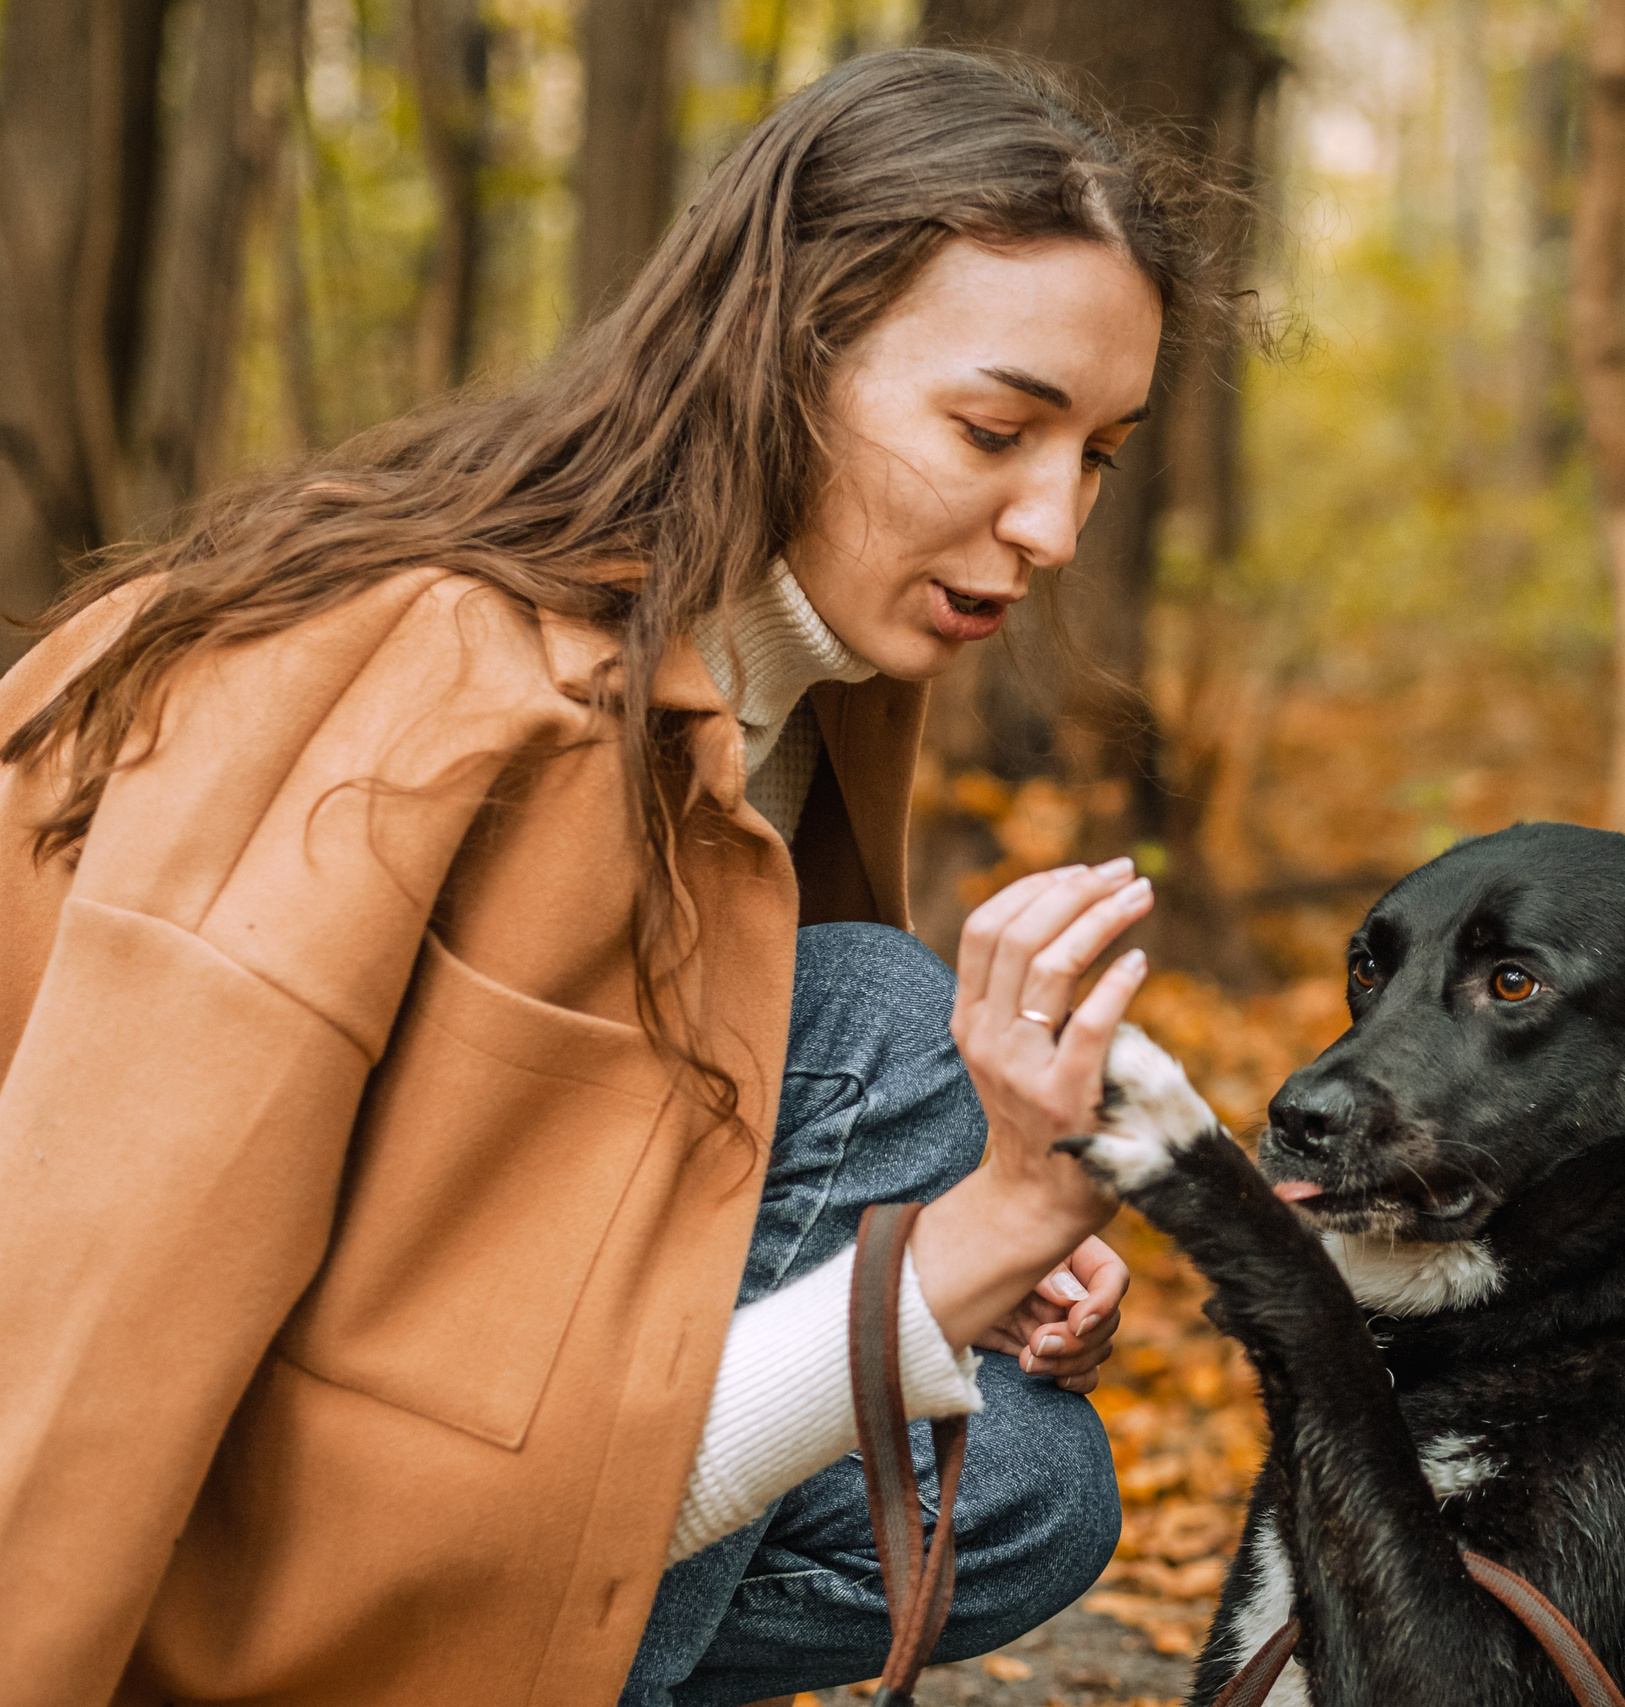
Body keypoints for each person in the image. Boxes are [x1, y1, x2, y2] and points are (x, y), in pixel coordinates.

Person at [0, 48, 1214, 1707]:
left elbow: (619, 1212)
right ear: (785, 358)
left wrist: (965, 1262)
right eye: (997, 429)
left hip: (452, 1440)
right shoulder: (411, 671)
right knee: (877, 1025)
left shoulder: (810, 690)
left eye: (1098, 456)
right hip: (209, 1537)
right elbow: (88, 1304)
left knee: (1019, 1491)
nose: (1053, 525)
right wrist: (965, 1239)